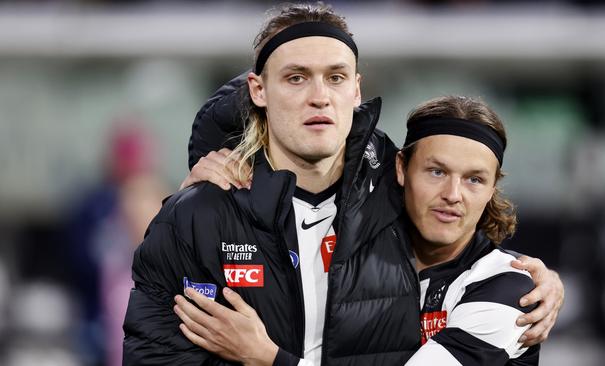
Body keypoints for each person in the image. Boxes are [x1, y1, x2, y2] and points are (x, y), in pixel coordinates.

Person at [124, 2, 563, 366]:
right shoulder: (197, 217)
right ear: (257, 90)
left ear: (355, 90)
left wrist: (532, 274)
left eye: (335, 77)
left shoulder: (391, 199)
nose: (320, 96)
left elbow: (463, 242)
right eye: (296, 77)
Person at [397, 96, 539, 365]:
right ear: (402, 168)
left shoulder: (508, 286)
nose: (453, 195)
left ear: (491, 189)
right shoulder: (358, 261)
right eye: (437, 172)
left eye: (474, 179)